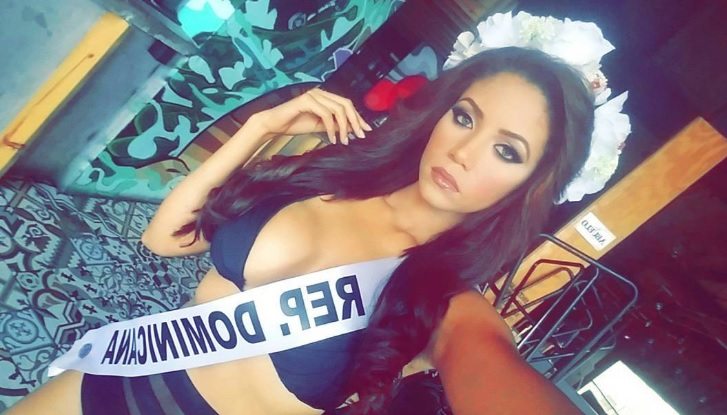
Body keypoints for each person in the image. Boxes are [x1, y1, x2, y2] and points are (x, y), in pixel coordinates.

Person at [9, 45, 594, 415]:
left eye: (507, 151)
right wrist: (260, 128)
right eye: (464, 117)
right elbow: (165, 239)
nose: (464, 152)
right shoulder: (338, 172)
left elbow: (491, 371)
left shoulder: (444, 301)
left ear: (532, 185)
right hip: (100, 386)